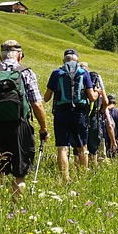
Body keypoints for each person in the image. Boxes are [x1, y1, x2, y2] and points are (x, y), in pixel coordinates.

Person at [0, 40, 48, 203]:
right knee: (19, 172)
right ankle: (16, 210)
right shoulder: (26, 72)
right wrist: (43, 128)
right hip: (19, 126)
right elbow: (37, 104)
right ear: (20, 56)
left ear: (0, 56)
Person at [43, 48, 96, 182]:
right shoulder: (84, 72)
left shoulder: (57, 73)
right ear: (77, 59)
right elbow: (92, 97)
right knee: (82, 146)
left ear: (64, 60)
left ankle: (65, 178)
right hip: (79, 113)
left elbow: (47, 97)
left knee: (62, 147)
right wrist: (97, 93)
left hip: (61, 113)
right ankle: (82, 176)